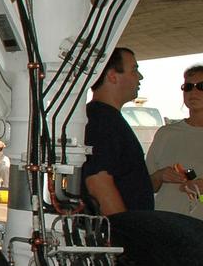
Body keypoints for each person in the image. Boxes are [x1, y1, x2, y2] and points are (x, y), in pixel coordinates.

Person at [81, 47, 160, 215]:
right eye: (134, 70)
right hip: (118, 236)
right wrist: (124, 233)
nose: (140, 77)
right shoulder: (101, 120)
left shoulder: (106, 118)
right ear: (112, 76)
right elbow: (98, 181)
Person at [145, 63, 203, 216]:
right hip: (167, 226)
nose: (193, 91)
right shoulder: (166, 133)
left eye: (201, 86)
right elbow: (146, 186)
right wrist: (159, 176)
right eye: (188, 87)